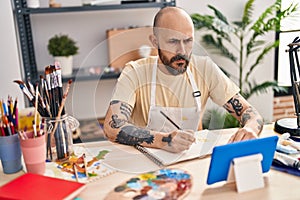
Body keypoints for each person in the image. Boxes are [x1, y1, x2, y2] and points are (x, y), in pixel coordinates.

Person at [103, 6, 264, 153]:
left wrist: (250, 128)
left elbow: (251, 113)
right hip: (145, 163)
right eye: (173, 41)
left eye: (188, 41)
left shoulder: (205, 68)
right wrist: (164, 141)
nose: (182, 51)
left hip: (190, 159)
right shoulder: (135, 72)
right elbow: (112, 128)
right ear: (155, 41)